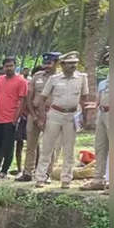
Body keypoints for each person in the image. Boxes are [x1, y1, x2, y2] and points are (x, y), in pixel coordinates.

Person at [35, 51, 88, 189]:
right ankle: (40, 177)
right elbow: (42, 98)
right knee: (47, 147)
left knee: (69, 149)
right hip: (55, 114)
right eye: (70, 64)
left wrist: (84, 117)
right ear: (62, 64)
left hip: (72, 116)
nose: (73, 66)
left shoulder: (82, 78)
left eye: (75, 63)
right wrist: (42, 117)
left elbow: (84, 99)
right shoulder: (54, 79)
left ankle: (66, 180)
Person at [17, 53, 59, 182]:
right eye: (44, 63)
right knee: (30, 145)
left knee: (49, 146)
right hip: (33, 114)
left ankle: (46, 173)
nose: (46, 66)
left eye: (49, 63)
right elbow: (29, 96)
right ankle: (28, 172)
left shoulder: (60, 78)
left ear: (56, 63)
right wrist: (34, 115)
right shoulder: (37, 76)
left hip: (51, 115)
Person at [0, 57, 29, 177]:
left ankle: (4, 171)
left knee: (8, 146)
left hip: (10, 119)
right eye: (6, 66)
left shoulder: (21, 81)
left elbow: (22, 102)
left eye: (11, 66)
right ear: (3, 67)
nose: (9, 68)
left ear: (15, 66)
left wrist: (16, 119)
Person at [82, 67, 109, 191]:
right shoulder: (104, 82)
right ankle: (98, 179)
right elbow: (99, 100)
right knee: (100, 147)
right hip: (102, 114)